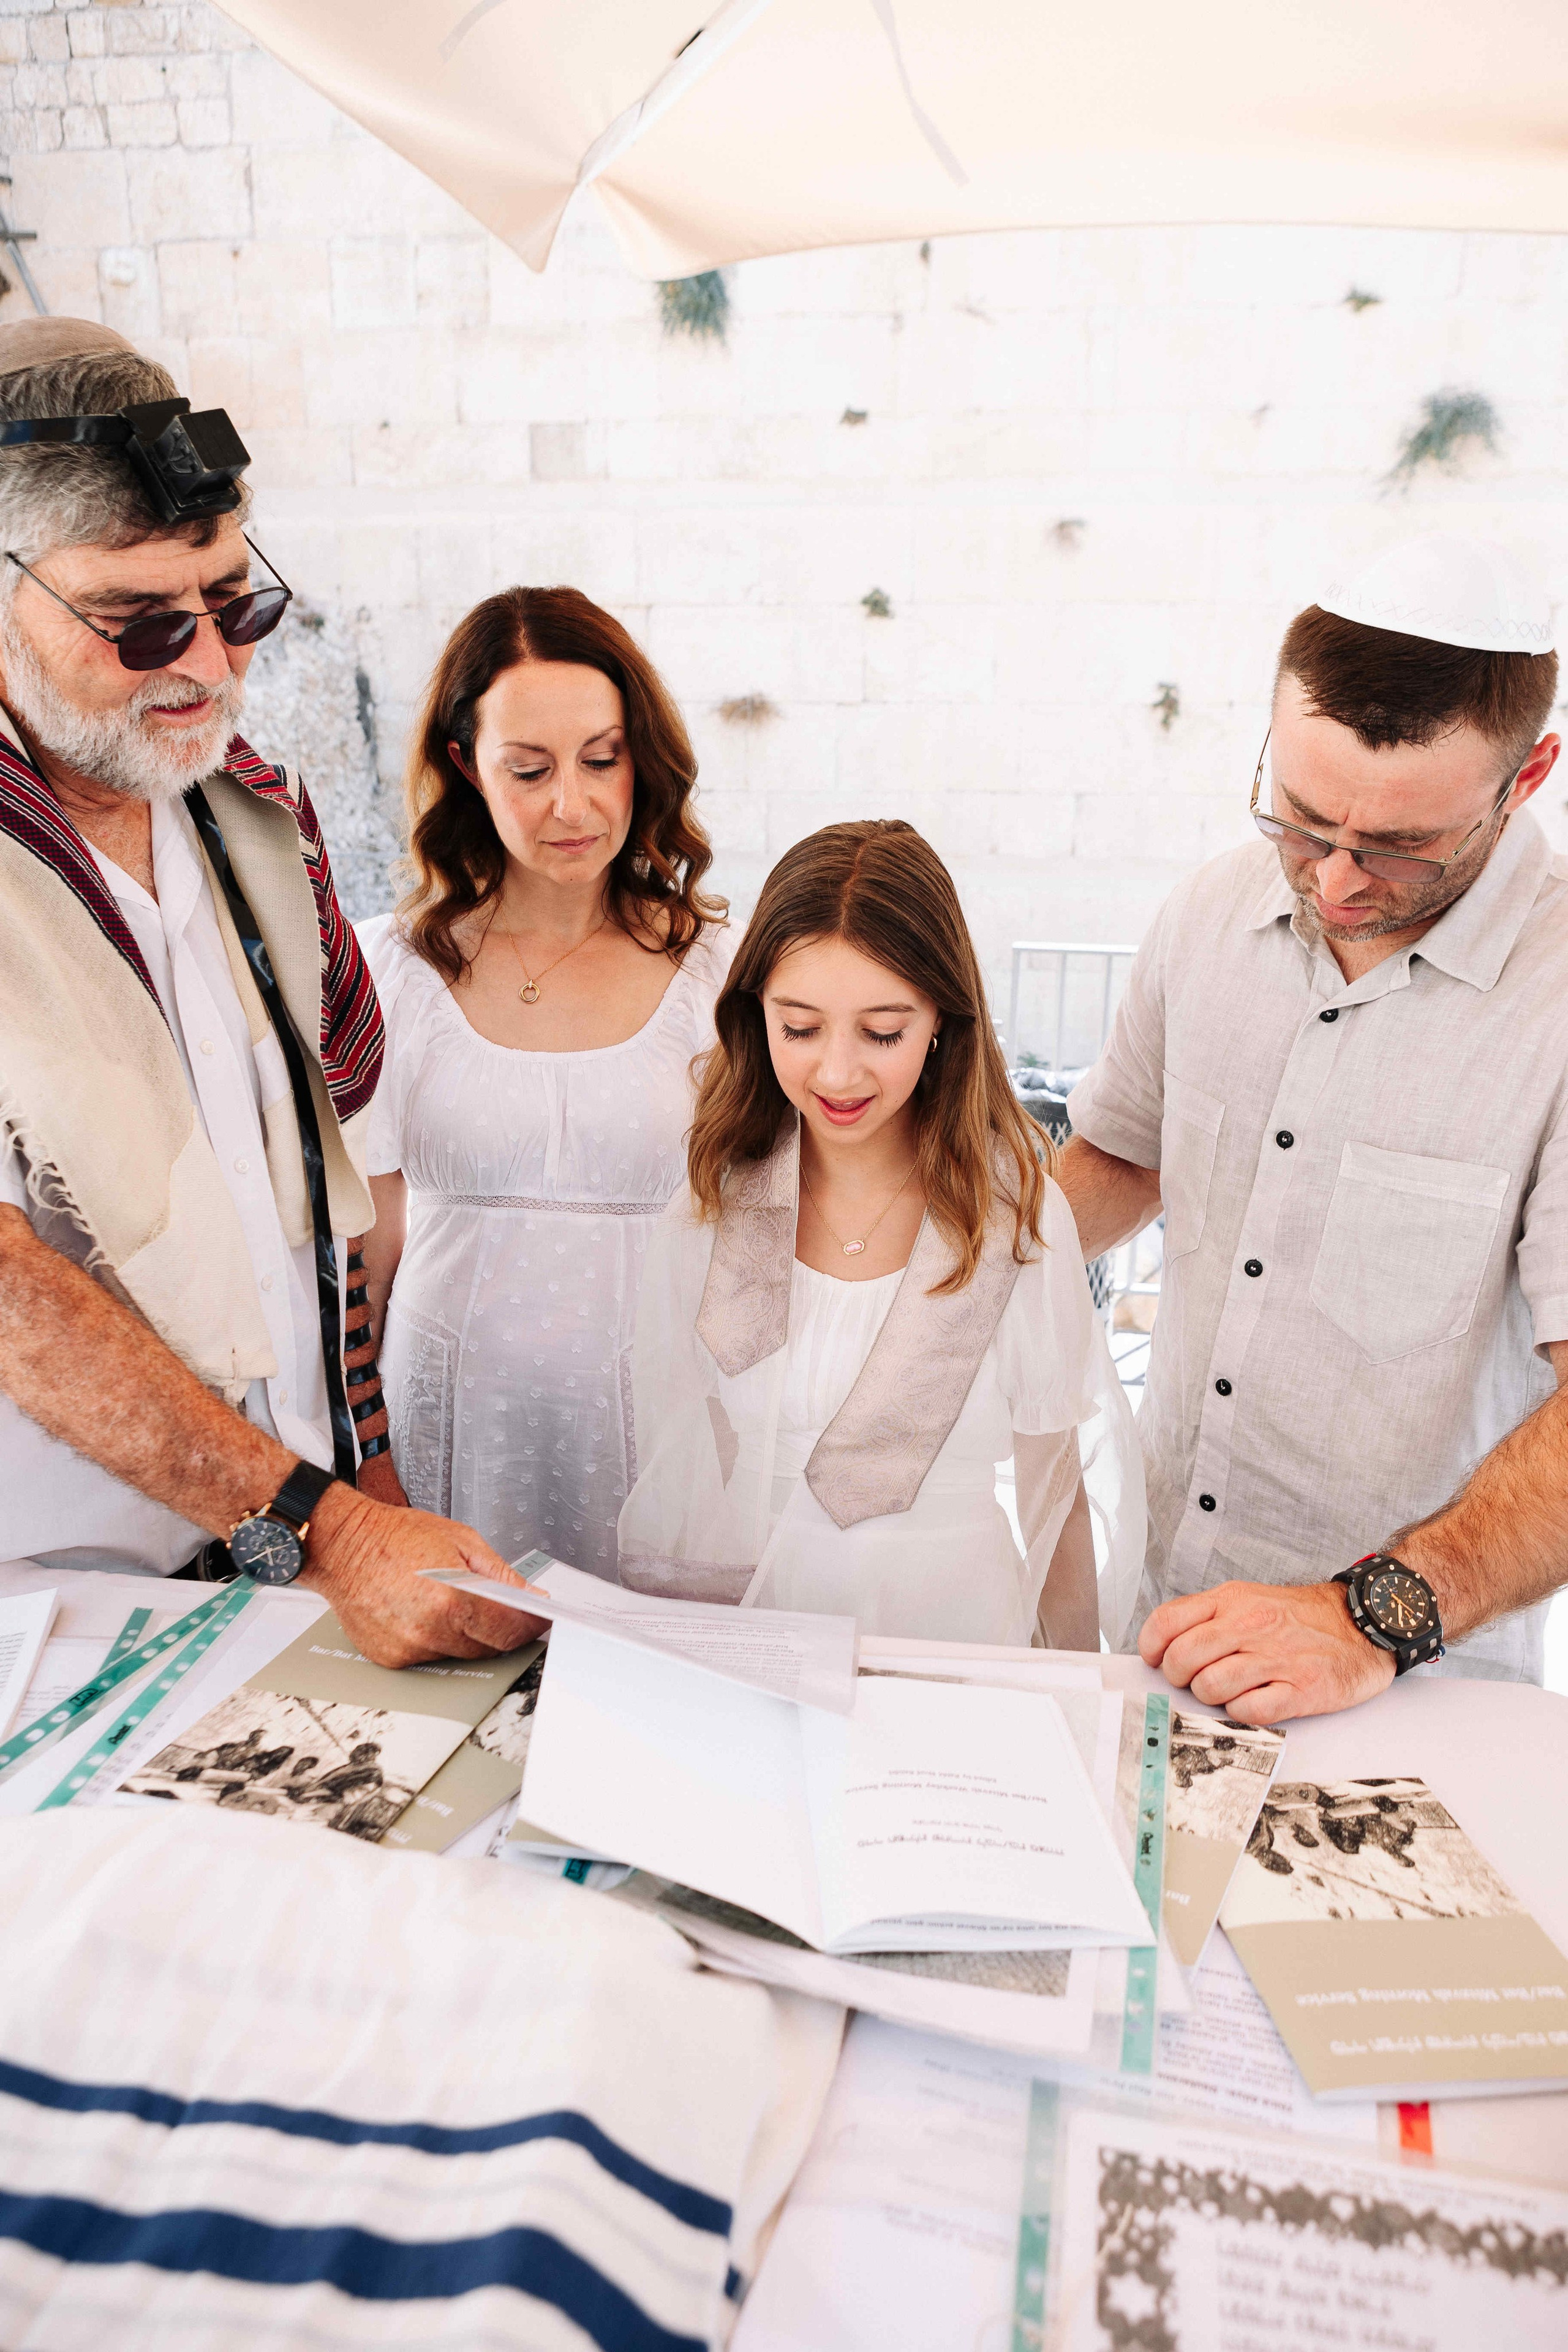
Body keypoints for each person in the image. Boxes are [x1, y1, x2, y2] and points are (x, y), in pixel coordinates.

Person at [0, 316, 538, 1669]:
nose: (208, 667)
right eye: (139, 627)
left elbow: (317, 1206)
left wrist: (372, 1495)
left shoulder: (255, 820)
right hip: (54, 1623)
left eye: (237, 605)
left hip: (275, 1567)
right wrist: (329, 1529)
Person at [1060, 532, 1568, 1722]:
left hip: (1406, 1674)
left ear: (1527, 773)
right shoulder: (1206, 911)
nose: (1334, 880)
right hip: (1156, 1615)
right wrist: (930, 1281)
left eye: (1399, 847)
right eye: (1296, 820)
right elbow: (1124, 1158)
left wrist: (1371, 1614)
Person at [616, 819, 1144, 1644]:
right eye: (800, 1027)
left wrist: (1076, 1699)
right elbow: (691, 1467)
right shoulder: (714, 1208)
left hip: (954, 1638)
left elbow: (1056, 1500)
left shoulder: (1015, 1223)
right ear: (756, 1015)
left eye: (882, 1032)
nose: (836, 1072)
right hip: (762, 1635)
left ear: (942, 1019)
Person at [358, 588, 731, 1575]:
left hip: (668, 1441)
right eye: (530, 770)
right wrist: (367, 1467)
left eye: (603, 760)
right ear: (463, 766)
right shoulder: (386, 970)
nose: (573, 803)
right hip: (445, 1432)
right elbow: (369, 1240)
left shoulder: (724, 975)